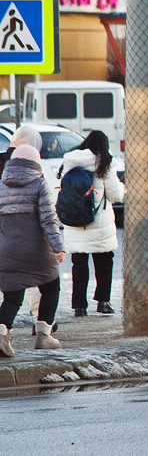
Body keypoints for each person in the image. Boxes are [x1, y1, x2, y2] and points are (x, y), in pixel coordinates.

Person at [0, 142, 64, 354]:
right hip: (37, 251)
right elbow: (49, 220)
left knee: (12, 297)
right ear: (35, 163)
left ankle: (1, 335)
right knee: (51, 286)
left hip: (7, 252)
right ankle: (44, 335)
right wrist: (58, 247)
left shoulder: (1, 185)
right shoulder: (39, 184)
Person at [61, 131, 124, 318]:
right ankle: (103, 302)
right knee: (104, 262)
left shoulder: (70, 161)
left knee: (79, 264)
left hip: (75, 220)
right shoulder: (105, 163)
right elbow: (115, 195)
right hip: (99, 221)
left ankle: (79, 306)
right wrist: (122, 187)